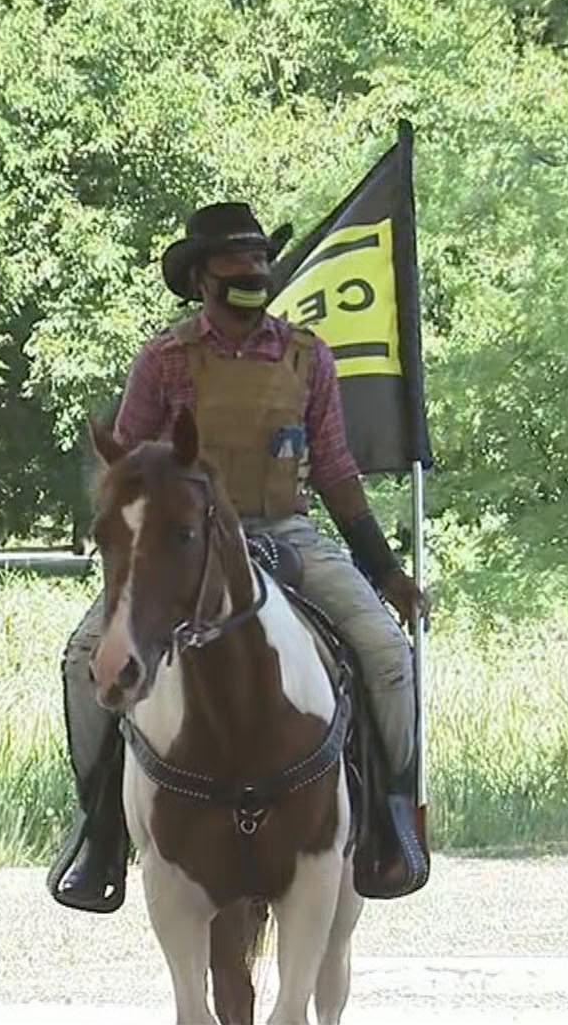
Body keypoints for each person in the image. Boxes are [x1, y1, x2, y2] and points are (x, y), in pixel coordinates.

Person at [48, 201, 429, 913]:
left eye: (257, 259)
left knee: (386, 653)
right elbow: (128, 465)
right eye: (233, 263)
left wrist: (385, 572)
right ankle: (99, 830)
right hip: (181, 542)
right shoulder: (163, 361)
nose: (250, 272)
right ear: (202, 279)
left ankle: (389, 816)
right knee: (81, 659)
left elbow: (338, 471)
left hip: (287, 529)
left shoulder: (308, 356)